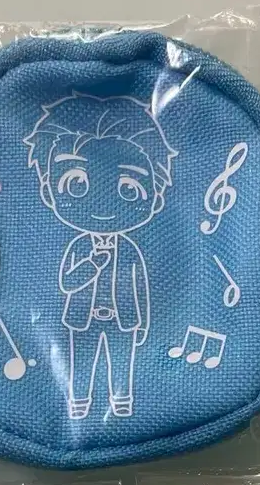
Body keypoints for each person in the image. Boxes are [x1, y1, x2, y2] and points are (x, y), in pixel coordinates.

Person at [24, 93, 177, 419]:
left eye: (129, 189)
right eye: (76, 184)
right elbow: (68, 282)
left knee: (122, 365)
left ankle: (122, 404)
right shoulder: (80, 247)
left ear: (156, 199)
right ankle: (78, 404)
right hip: (82, 321)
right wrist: (93, 264)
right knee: (80, 365)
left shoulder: (130, 250)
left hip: (124, 320)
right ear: (48, 192)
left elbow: (139, 286)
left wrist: (143, 322)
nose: (103, 209)